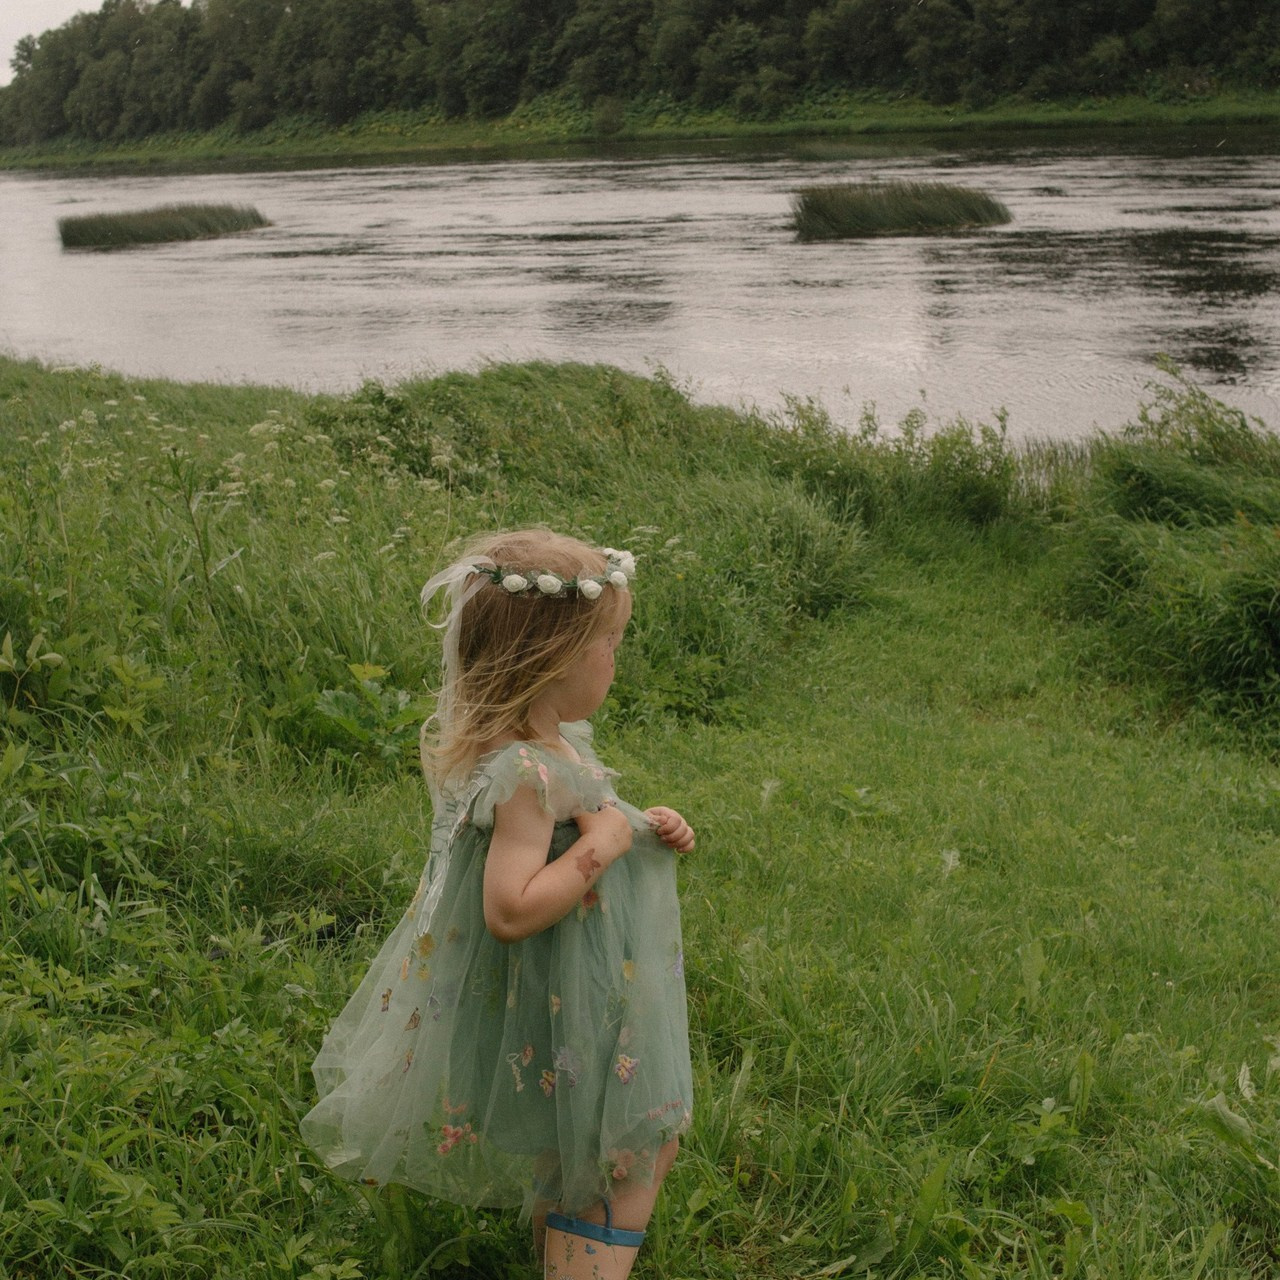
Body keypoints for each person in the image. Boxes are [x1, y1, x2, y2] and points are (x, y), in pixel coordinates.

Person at [301, 529, 696, 1280]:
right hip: (565, 983)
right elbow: (510, 909)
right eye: (609, 642)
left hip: (581, 982)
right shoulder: (523, 769)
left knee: (584, 1139)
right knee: (634, 1142)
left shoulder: (552, 742)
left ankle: (567, 1257)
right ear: (553, 661)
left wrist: (645, 824)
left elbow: (593, 814)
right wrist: (608, 844)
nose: (618, 657)